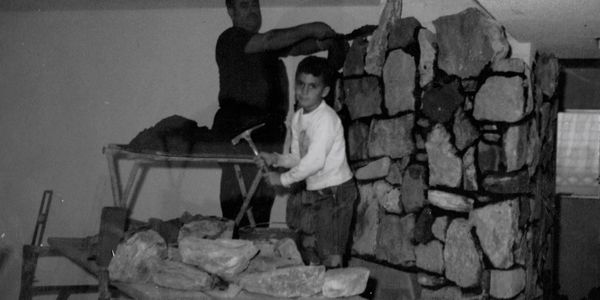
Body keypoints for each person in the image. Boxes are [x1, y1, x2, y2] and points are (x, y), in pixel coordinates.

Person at [213, 0, 347, 228]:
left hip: (266, 133)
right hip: (239, 134)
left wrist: (322, 42)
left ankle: (253, 247)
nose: (253, 10)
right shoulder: (231, 39)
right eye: (244, 5)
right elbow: (270, 39)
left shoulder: (263, 48)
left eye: (255, 4)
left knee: (262, 199)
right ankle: (232, 248)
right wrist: (311, 27)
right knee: (239, 201)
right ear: (230, 11)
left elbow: (295, 47)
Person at [257, 56, 357, 268]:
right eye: (300, 84)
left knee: (332, 254)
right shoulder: (299, 117)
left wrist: (282, 179)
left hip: (337, 192)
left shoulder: (326, 120)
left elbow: (313, 163)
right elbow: (298, 158)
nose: (304, 91)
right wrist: (276, 159)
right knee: (319, 249)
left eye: (312, 86)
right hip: (320, 192)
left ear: (325, 92)